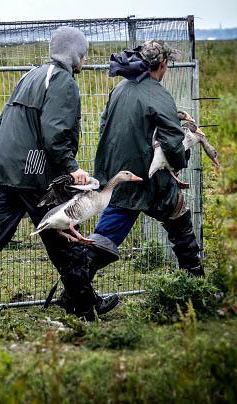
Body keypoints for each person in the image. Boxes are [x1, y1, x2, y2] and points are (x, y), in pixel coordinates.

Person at [0, 26, 119, 322]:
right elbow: (55, 132)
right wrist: (71, 169)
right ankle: (83, 303)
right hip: (33, 172)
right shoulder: (62, 81)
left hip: (7, 169)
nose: (85, 61)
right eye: (84, 54)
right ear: (76, 54)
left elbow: (1, 123)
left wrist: (4, 163)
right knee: (62, 234)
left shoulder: (31, 75)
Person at [83, 40, 204, 285]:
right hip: (148, 180)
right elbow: (173, 143)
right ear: (161, 65)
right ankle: (196, 285)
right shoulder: (158, 95)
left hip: (119, 176)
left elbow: (104, 127)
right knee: (180, 224)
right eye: (167, 63)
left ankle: (75, 288)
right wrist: (181, 159)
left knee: (105, 236)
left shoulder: (120, 89)